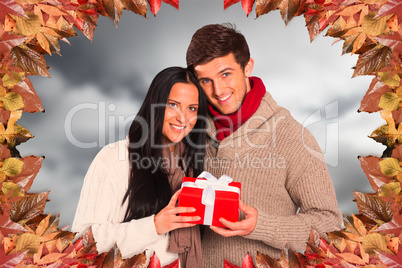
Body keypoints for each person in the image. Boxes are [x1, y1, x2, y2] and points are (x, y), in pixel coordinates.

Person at [186, 24, 343, 266]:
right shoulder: (189, 131)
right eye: (206, 80)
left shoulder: (291, 137)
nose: (217, 91)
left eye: (226, 74)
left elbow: (329, 227)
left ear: (247, 66)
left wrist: (262, 226)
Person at [71, 67, 208, 267]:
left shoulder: (192, 169)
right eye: (173, 105)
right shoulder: (114, 158)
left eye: (192, 108)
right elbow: (82, 243)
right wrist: (154, 226)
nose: (183, 118)